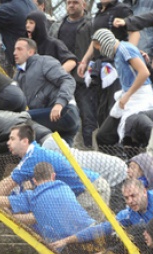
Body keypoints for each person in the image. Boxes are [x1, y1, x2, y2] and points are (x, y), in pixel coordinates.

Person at [0, 123, 110, 222]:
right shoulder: (31, 156)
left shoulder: (34, 156)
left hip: (91, 189)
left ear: (25, 141)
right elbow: (18, 188)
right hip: (84, 191)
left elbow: (8, 182)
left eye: (12, 139)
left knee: (85, 230)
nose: (8, 142)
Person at [50, 178, 153, 249]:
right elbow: (103, 228)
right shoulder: (128, 214)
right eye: (126, 198)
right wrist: (68, 240)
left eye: (134, 196)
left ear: (144, 192)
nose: (130, 201)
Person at [0, 162, 96, 241]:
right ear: (53, 176)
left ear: (34, 180)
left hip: (64, 241)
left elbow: (0, 200)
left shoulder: (32, 197)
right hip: (91, 229)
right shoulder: (65, 188)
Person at [92, 28, 153, 147]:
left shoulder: (125, 49)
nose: (101, 51)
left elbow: (144, 72)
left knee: (130, 136)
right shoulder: (119, 53)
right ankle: (117, 161)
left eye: (99, 47)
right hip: (128, 96)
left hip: (138, 97)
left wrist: (128, 95)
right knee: (103, 135)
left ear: (104, 42)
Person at [77, 0, 137, 128]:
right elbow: (95, 42)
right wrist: (85, 60)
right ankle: (104, 144)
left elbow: (135, 32)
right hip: (99, 67)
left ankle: (116, 145)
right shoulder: (99, 13)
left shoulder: (122, 10)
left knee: (114, 106)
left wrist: (129, 57)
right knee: (100, 109)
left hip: (116, 66)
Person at [13, 38, 80, 145]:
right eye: (14, 49)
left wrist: (59, 104)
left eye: (19, 49)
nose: (15, 53)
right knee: (63, 157)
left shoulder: (44, 62)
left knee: (20, 119)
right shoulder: (19, 75)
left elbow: (68, 80)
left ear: (30, 52)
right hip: (50, 118)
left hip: (64, 112)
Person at [52, 0, 97, 149]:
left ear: (84, 5)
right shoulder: (57, 26)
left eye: (75, 2)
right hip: (62, 79)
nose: (71, 5)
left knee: (88, 117)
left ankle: (91, 152)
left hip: (84, 80)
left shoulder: (91, 24)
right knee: (62, 115)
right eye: (69, 2)